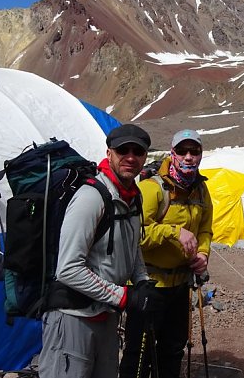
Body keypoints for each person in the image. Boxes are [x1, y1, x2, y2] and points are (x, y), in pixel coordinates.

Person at [40, 124, 155, 378]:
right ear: (109, 152)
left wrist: (142, 281)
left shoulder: (133, 197)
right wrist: (122, 297)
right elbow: (68, 268)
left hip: (105, 314)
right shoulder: (91, 197)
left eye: (138, 151)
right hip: (73, 317)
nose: (131, 157)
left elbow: (132, 245)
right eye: (123, 150)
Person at [119, 129, 213, 378]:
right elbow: (136, 236)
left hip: (180, 285)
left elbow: (205, 229)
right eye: (182, 151)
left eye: (194, 151)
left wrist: (203, 255)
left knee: (173, 350)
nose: (189, 157)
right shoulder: (152, 189)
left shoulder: (201, 191)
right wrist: (173, 232)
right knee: (139, 355)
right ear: (173, 153)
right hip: (149, 285)